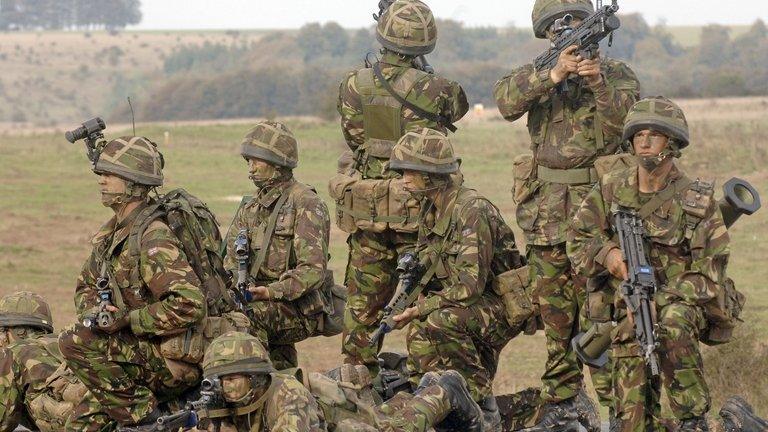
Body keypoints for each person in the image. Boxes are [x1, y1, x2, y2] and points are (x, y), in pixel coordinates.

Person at [493, 0, 640, 427]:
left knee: (602, 315)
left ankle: (621, 410)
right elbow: (505, 103)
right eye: (558, 28)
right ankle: (562, 405)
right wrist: (553, 74)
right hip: (546, 217)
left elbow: (628, 127)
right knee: (555, 316)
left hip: (599, 218)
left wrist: (597, 84)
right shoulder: (538, 73)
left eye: (574, 25)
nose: (566, 33)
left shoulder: (617, 75)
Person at [567, 96, 742, 431]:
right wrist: (611, 257)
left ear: (672, 143)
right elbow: (577, 239)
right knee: (630, 410)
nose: (643, 141)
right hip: (627, 305)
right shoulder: (611, 187)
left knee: (672, 322)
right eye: (638, 135)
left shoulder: (696, 200)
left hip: (684, 306)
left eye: (654, 134)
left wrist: (656, 300)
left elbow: (709, 274)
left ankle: (693, 420)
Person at [333, 0, 468, 377]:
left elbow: (352, 136)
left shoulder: (353, 84)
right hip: (421, 211)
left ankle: (356, 381)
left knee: (362, 306)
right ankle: (428, 384)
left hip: (369, 211)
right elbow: (457, 109)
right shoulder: (439, 87)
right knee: (423, 298)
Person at [59, 136, 207, 431]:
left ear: (134, 185)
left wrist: (128, 320)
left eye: (111, 175)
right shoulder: (112, 235)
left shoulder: (153, 237)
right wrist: (98, 314)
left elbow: (190, 304)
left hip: (170, 358)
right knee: (82, 422)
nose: (102, 181)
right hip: (138, 351)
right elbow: (85, 288)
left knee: (73, 340)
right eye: (101, 174)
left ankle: (146, 420)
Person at [387, 128, 528, 430]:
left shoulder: (470, 210)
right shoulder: (433, 207)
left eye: (410, 171)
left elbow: (469, 285)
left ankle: (479, 401)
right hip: (475, 305)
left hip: (501, 305)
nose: (403, 178)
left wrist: (422, 308)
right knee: (419, 332)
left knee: (440, 319)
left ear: (432, 174)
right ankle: (434, 396)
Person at [223, 121, 334, 370]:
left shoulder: (306, 203)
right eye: (248, 161)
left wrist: (271, 292)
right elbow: (230, 261)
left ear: (278, 162)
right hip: (257, 300)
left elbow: (313, 271)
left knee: (241, 322)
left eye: (256, 161)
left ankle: (257, 385)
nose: (250, 168)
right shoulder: (250, 208)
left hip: (299, 307)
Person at [0, 291, 88, 432]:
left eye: (1, 330)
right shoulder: (68, 343)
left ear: (20, 331)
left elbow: (3, 421)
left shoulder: (13, 351)